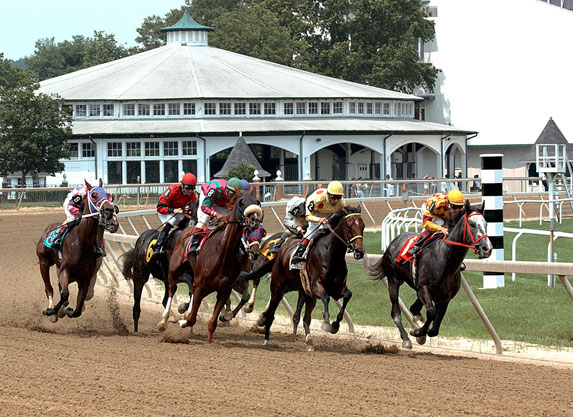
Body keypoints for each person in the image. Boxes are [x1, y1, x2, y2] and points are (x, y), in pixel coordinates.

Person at [292, 180, 346, 263]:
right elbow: (308, 217)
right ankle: (298, 253)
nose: (336, 200)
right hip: (315, 212)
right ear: (328, 194)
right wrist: (319, 220)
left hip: (329, 213)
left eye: (338, 197)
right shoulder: (317, 200)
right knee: (313, 230)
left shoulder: (341, 202)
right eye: (333, 197)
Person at [187, 177, 243, 254]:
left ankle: (239, 245)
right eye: (231, 193)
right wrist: (215, 214)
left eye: (236, 195)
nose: (233, 197)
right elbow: (204, 207)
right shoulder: (214, 189)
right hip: (209, 197)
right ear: (226, 189)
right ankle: (194, 244)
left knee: (231, 221)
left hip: (221, 201)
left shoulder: (234, 195)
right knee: (204, 220)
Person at [52, 183, 107, 257]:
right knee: (72, 218)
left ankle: (100, 246)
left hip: (84, 205)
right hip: (71, 204)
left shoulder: (99, 193)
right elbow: (70, 206)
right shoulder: (82, 192)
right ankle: (58, 238)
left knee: (98, 222)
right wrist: (80, 214)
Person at [151, 173, 198, 256]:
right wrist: (173, 210)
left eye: (192, 188)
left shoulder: (192, 195)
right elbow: (159, 207)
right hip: (165, 211)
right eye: (188, 188)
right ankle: (158, 247)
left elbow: (192, 209)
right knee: (172, 220)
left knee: (189, 222)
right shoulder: (172, 190)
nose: (190, 191)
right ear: (182, 185)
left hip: (178, 211)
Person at [408, 189, 465, 257]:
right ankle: (417, 245)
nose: (457, 210)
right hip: (428, 209)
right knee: (440, 222)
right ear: (448, 202)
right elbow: (426, 223)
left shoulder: (453, 206)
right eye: (455, 207)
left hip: (442, 212)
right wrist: (441, 229)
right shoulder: (437, 203)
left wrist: (446, 224)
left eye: (460, 206)